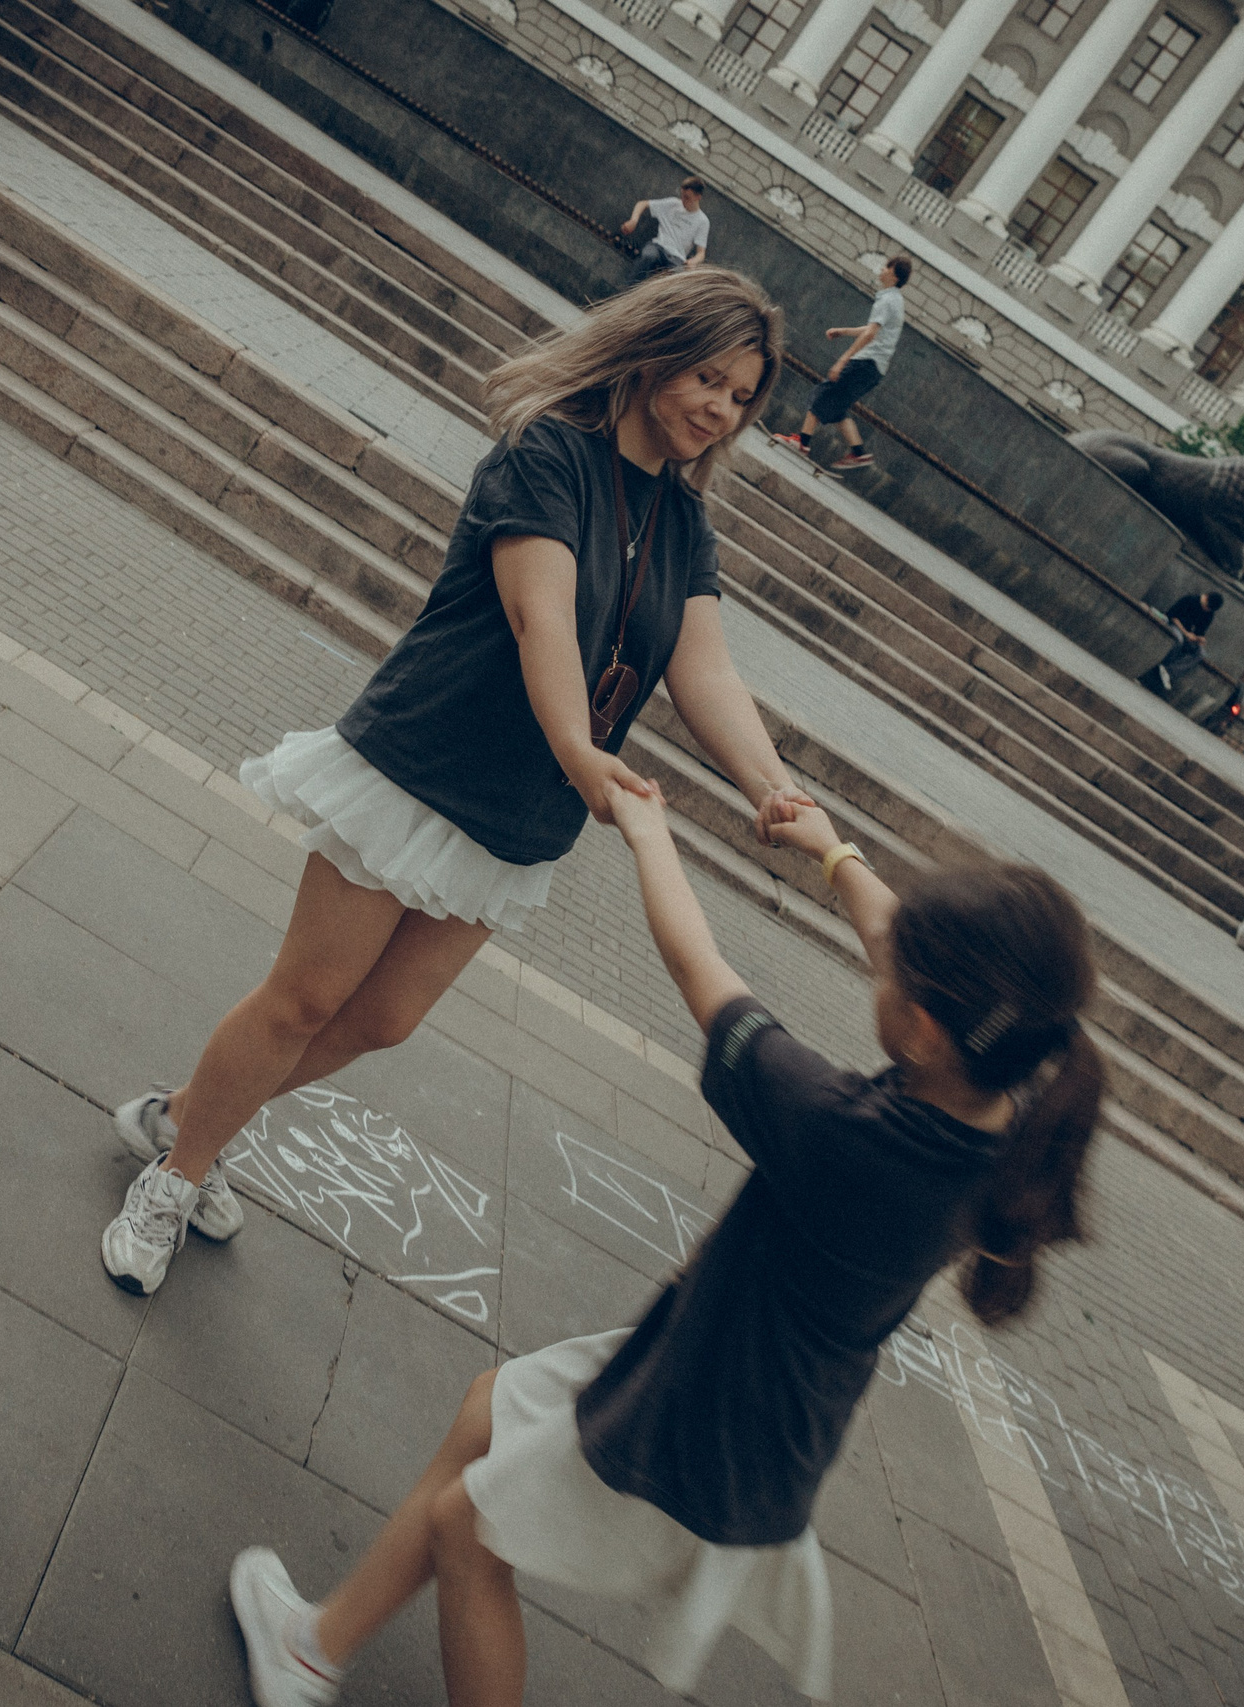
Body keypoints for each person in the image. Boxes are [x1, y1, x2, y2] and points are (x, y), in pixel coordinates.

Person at [225, 793, 1106, 1706]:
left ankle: (312, 1654)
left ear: (924, 1027)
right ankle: (311, 1650)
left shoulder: (841, 1135)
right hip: (733, 1369)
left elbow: (702, 971)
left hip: (708, 1422)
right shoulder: (1012, 1099)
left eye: (896, 978)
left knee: (467, 1529)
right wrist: (835, 854)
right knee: (490, 1410)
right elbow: (908, 948)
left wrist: (650, 835)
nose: (879, 969)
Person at [100, 267, 819, 1296]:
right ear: (653, 355)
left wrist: (769, 786)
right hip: (424, 760)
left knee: (382, 1022)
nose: (720, 408)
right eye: (706, 377)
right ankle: (178, 1171)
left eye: (741, 395)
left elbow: (703, 669)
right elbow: (541, 615)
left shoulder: (685, 524)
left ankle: (189, 1112)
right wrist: (580, 750)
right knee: (305, 997)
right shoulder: (548, 455)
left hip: (520, 811)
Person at [773, 255, 910, 473]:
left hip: (866, 362)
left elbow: (870, 335)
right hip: (875, 369)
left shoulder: (887, 301)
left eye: (886, 266)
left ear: (894, 275)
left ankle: (802, 442)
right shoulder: (895, 300)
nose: (881, 269)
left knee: (824, 391)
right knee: (838, 407)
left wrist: (843, 359)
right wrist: (843, 331)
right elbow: (871, 330)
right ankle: (858, 453)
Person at [619, 178, 709, 287]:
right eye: (682, 195)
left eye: (687, 197)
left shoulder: (703, 221)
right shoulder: (673, 204)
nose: (683, 200)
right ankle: (629, 290)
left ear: (698, 197)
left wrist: (694, 261)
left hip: (677, 257)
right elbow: (643, 204)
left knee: (678, 280)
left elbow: (701, 253)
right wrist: (634, 220)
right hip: (659, 246)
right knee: (648, 256)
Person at [1139, 589, 1224, 696]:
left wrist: (1199, 639)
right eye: (1206, 607)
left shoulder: (1209, 614)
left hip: (1188, 634)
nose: (1206, 610)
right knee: (1178, 640)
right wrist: (1186, 633)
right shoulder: (1190, 600)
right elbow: (1173, 616)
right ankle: (1162, 666)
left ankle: (1169, 671)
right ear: (1205, 598)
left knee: (1201, 654)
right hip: (1174, 626)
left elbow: (1200, 631)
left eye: (1209, 609)